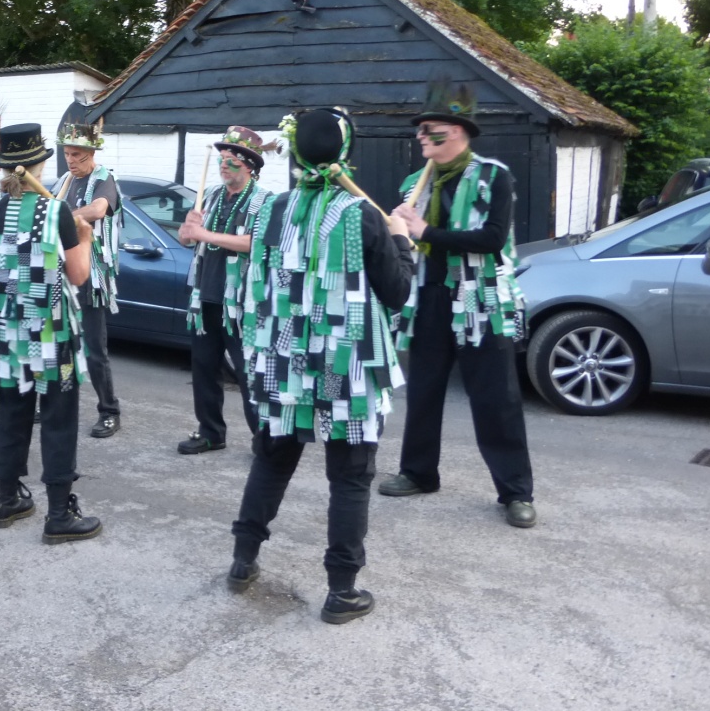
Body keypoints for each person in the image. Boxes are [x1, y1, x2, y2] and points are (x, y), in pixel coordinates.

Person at [228, 108, 414, 624]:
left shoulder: (272, 210)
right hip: (344, 363)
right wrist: (401, 239)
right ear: (344, 153)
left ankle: (242, 561)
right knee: (350, 477)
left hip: (284, 359)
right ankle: (342, 591)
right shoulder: (362, 215)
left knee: (272, 459)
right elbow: (397, 293)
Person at [380, 83, 537, 529]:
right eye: (420, 130)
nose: (420, 136)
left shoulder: (493, 177)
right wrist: (396, 232)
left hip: (480, 299)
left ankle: (516, 492)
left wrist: (425, 232)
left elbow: (492, 239)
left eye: (428, 129)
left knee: (496, 398)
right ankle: (418, 472)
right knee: (424, 390)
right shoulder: (415, 184)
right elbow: (408, 244)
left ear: (455, 131)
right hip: (429, 297)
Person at [0, 123, 101, 543]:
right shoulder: (56, 212)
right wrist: (84, 237)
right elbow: (78, 275)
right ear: (38, 165)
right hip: (52, 333)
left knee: (11, 415)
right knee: (58, 419)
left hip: (8, 332)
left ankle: (7, 498)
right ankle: (59, 514)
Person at [175, 126, 271, 454]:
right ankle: (211, 432)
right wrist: (188, 231)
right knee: (204, 369)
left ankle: (265, 441)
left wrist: (204, 235)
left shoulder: (265, 201)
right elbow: (188, 239)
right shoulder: (213, 195)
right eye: (222, 160)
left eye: (232, 161)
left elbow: (255, 243)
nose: (223, 166)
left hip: (243, 302)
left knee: (249, 372)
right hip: (206, 296)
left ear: (249, 167)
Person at [50, 121, 121, 438]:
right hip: (62, 274)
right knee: (61, 344)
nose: (70, 160)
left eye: (76, 154)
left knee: (94, 349)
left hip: (91, 277)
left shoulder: (105, 179)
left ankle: (109, 411)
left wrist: (60, 216)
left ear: (91, 153)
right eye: (66, 154)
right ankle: (57, 405)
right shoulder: (64, 181)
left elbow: (97, 209)